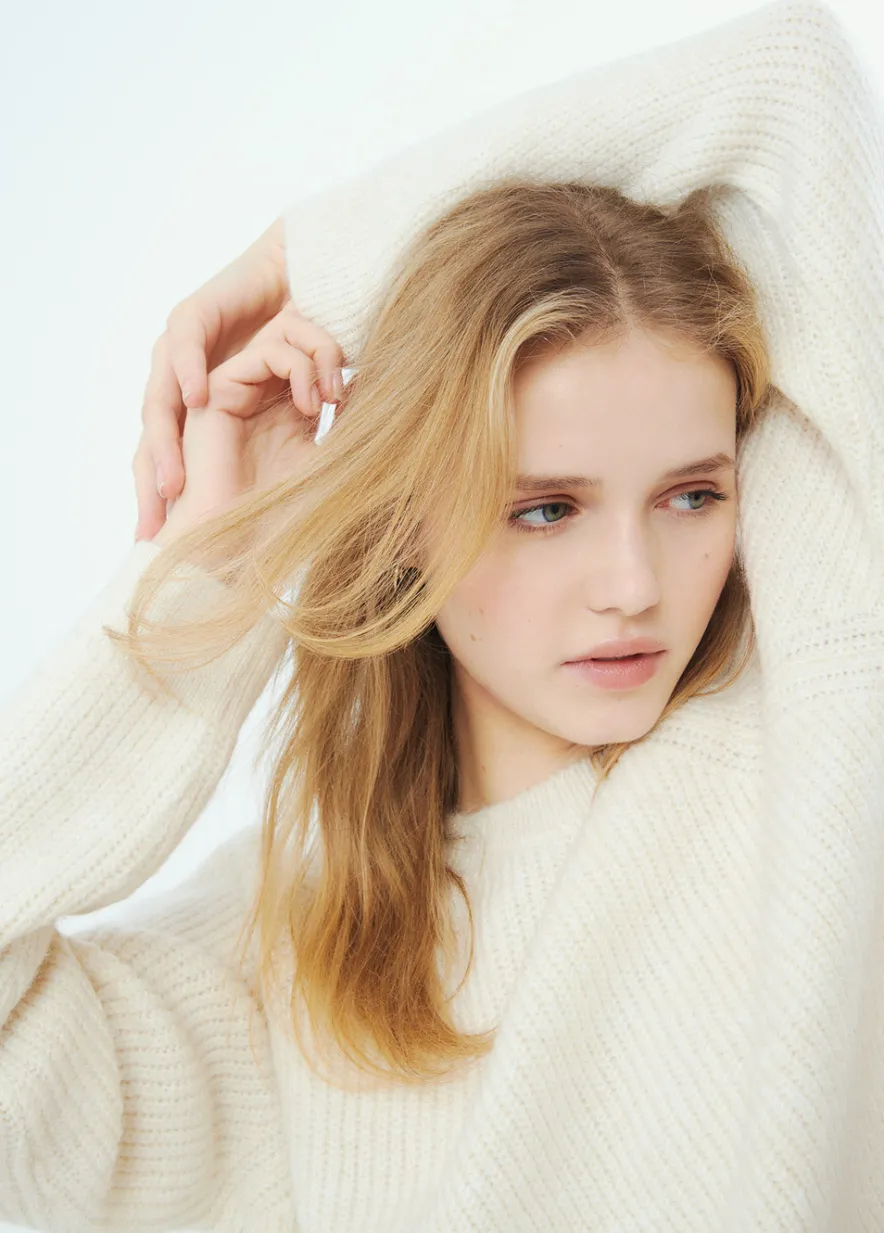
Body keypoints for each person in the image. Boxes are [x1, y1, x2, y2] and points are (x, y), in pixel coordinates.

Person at [4, 1, 884, 1230]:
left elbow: (785, 83)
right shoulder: (291, 939)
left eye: (691, 496)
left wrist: (301, 263)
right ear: (407, 519)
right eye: (544, 509)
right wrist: (223, 570)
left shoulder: (814, 757)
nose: (633, 583)